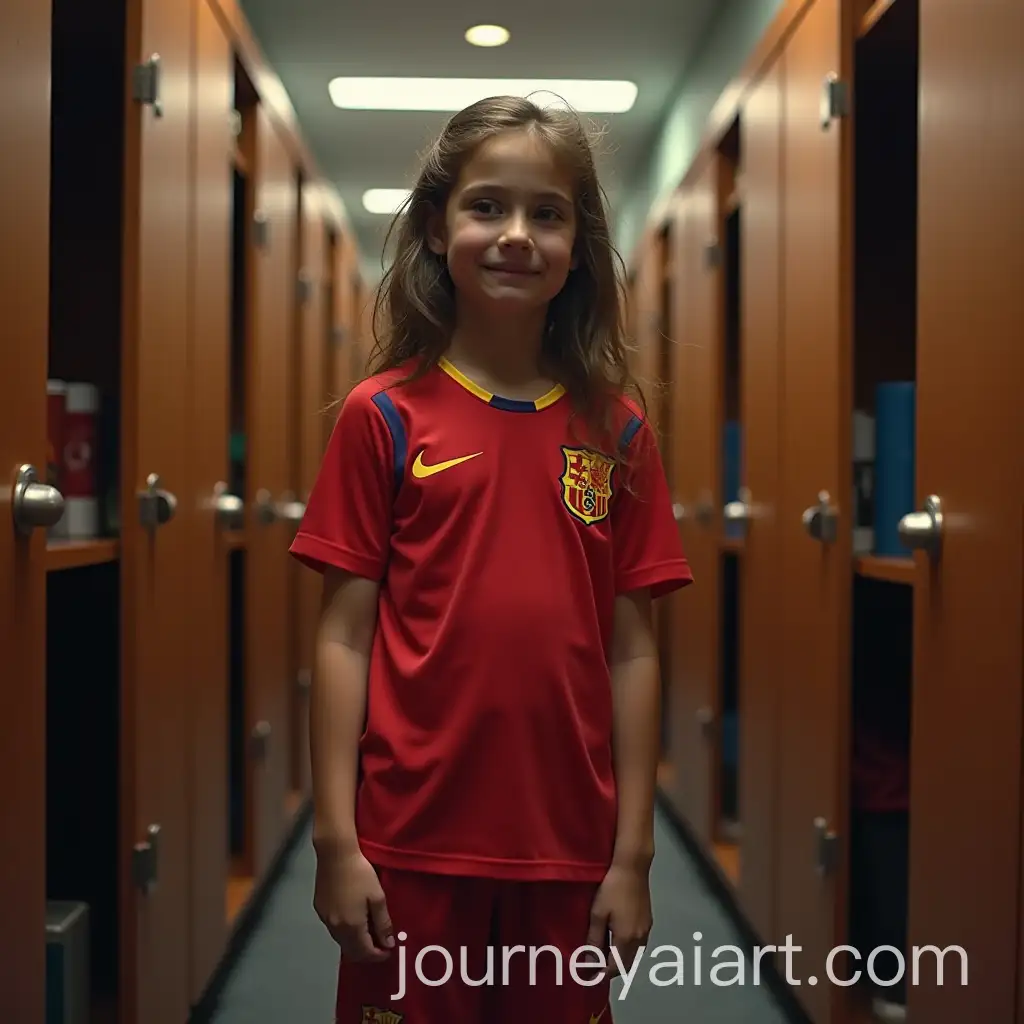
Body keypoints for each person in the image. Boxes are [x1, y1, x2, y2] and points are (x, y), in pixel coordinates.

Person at [289, 93, 692, 1024]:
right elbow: (345, 638)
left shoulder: (617, 430)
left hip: (569, 844)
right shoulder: (383, 415)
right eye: (487, 207)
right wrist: (335, 843)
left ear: (580, 244)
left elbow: (633, 651)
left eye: (547, 213)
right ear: (437, 227)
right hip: (409, 840)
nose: (517, 235)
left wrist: (632, 857)